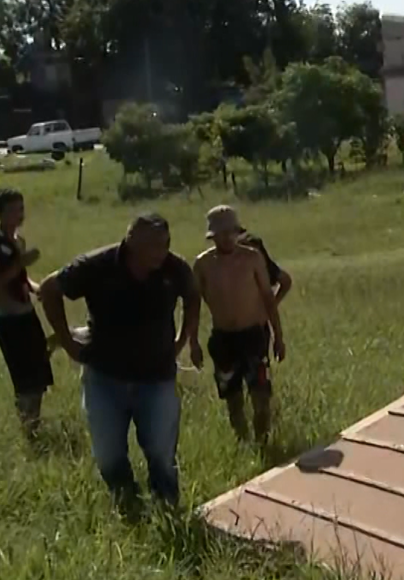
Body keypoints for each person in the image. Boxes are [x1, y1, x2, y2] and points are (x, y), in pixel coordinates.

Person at [39, 213, 201, 507]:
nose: (159, 252)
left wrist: (182, 339)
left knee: (162, 453)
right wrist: (66, 340)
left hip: (157, 377)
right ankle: (127, 504)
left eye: (164, 244)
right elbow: (50, 288)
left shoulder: (175, 268)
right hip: (104, 377)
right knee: (108, 453)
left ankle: (167, 508)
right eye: (151, 246)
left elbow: (192, 296)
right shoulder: (97, 265)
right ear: (130, 241)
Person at [191, 205, 287, 444]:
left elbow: (268, 298)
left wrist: (278, 336)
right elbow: (193, 306)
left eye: (231, 232)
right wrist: (193, 343)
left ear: (237, 232)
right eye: (221, 234)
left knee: (261, 396)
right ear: (212, 236)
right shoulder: (203, 265)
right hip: (224, 339)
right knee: (233, 400)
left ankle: (263, 442)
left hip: (254, 336)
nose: (227, 238)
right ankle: (243, 443)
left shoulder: (252, 258)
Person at [0, 188, 54, 438]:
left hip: (26, 313)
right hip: (8, 319)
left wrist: (37, 288)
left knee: (39, 370)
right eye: (12, 210)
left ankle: (35, 423)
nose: (19, 215)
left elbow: (20, 278)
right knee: (23, 377)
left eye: (21, 209)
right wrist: (21, 262)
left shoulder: (17, 241)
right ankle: (28, 429)